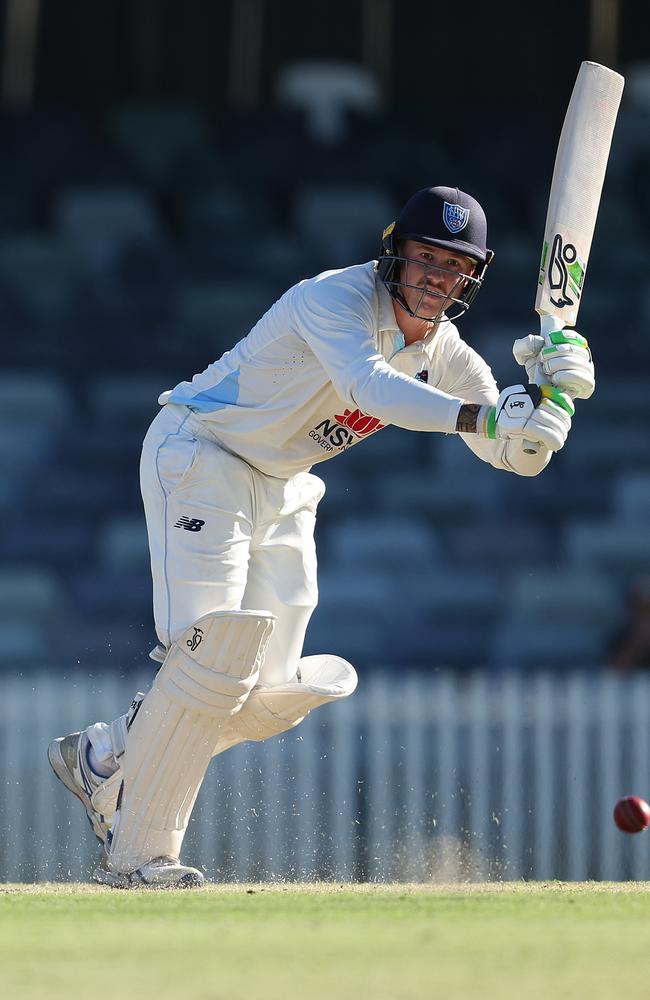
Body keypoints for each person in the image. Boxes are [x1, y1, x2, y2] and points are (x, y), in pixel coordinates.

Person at [47, 186, 594, 888]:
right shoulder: (332, 299)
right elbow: (373, 390)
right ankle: (138, 857)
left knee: (267, 694)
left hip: (284, 485)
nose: (435, 277)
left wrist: (551, 403)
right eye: (425, 258)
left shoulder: (447, 354)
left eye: (453, 267)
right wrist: (492, 419)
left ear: (471, 278)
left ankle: (109, 755)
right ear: (394, 253)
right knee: (213, 654)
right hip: (203, 453)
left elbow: (512, 453)